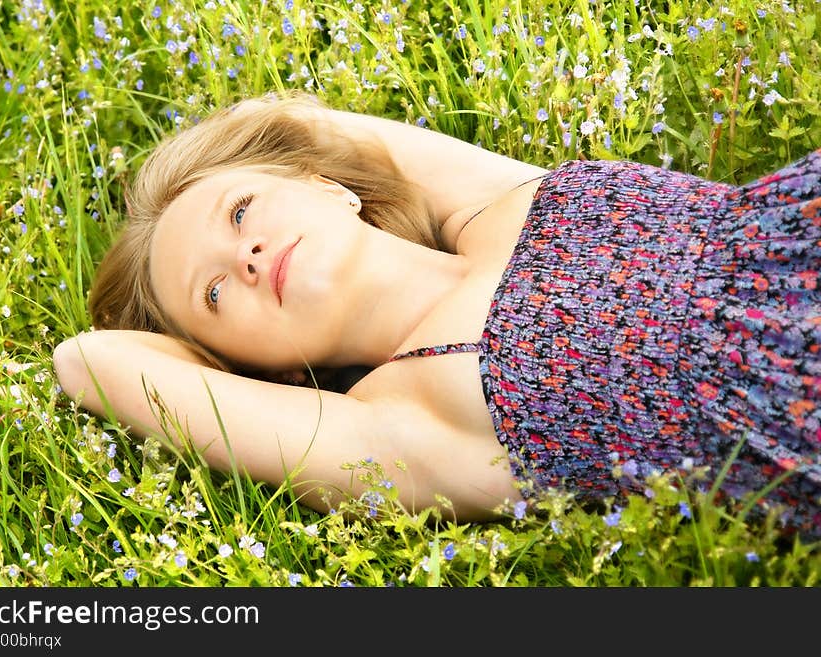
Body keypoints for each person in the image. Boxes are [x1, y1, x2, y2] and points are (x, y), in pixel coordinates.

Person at [53, 90, 821, 539]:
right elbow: (89, 361)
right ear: (268, 371)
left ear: (326, 185)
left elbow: (289, 115)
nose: (245, 255)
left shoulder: (496, 203)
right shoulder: (402, 421)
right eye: (214, 294)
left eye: (241, 209)